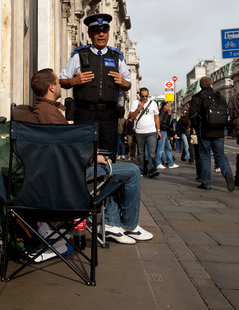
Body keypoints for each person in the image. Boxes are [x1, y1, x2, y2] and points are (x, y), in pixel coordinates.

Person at [30, 68, 153, 245]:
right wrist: (92, 157)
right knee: (132, 171)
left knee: (116, 171)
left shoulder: (44, 109)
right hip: (71, 177)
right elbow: (67, 150)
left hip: (64, 172)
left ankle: (113, 223)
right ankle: (128, 224)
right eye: (58, 83)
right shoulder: (49, 113)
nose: (60, 85)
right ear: (51, 87)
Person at [60, 13, 131, 162]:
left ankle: (106, 183)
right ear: (90, 34)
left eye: (104, 31)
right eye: (97, 32)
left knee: (109, 154)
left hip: (109, 115)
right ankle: (82, 183)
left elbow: (128, 83)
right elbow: (62, 80)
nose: (101, 35)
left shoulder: (116, 57)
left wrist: (124, 83)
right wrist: (73, 81)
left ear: (108, 33)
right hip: (84, 113)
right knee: (83, 152)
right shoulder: (79, 55)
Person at [189, 76, 234, 191]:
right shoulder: (220, 96)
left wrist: (197, 128)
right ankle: (228, 173)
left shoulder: (197, 98)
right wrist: (227, 128)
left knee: (204, 156)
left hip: (204, 132)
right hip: (219, 131)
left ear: (200, 86)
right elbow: (227, 113)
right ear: (211, 85)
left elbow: (193, 116)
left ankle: (206, 183)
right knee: (220, 155)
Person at [129, 88, 160, 178]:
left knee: (152, 152)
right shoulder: (135, 103)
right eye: (143, 96)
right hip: (140, 132)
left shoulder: (153, 104)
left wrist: (158, 130)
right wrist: (139, 108)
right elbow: (131, 117)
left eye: (146, 96)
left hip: (151, 131)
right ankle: (142, 170)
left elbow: (157, 117)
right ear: (140, 96)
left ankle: (152, 170)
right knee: (141, 153)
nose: (144, 98)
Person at [156, 102, 179, 170]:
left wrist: (169, 116)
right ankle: (158, 163)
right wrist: (161, 129)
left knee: (167, 148)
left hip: (165, 131)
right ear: (164, 107)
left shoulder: (165, 113)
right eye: (168, 106)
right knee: (161, 148)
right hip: (162, 131)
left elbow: (167, 122)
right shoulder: (162, 112)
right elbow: (160, 121)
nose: (169, 107)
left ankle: (170, 163)